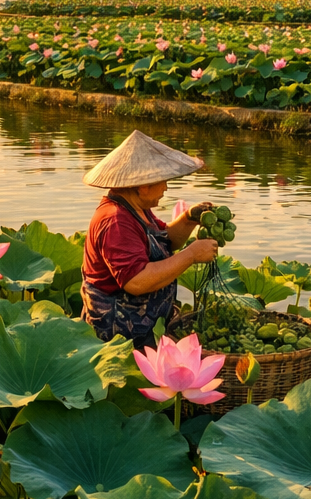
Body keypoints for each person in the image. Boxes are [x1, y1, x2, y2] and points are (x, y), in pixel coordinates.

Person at [80, 130, 221, 347]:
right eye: (162, 181)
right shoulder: (115, 220)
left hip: (146, 325)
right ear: (143, 184)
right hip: (119, 336)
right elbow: (136, 282)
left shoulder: (136, 208)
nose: (166, 187)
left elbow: (166, 240)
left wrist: (189, 218)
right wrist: (191, 255)